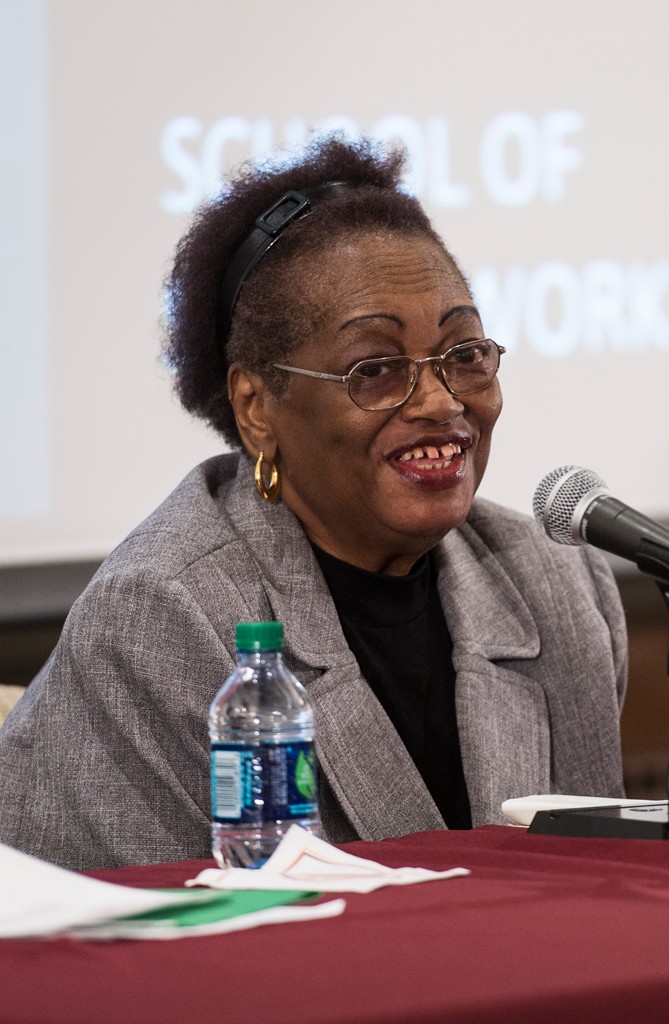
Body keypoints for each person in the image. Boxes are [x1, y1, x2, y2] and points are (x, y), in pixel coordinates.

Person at [0, 137, 627, 870]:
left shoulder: (558, 584)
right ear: (256, 407)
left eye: (463, 355)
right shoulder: (165, 613)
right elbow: (172, 937)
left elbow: (602, 880)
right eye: (377, 368)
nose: (439, 401)